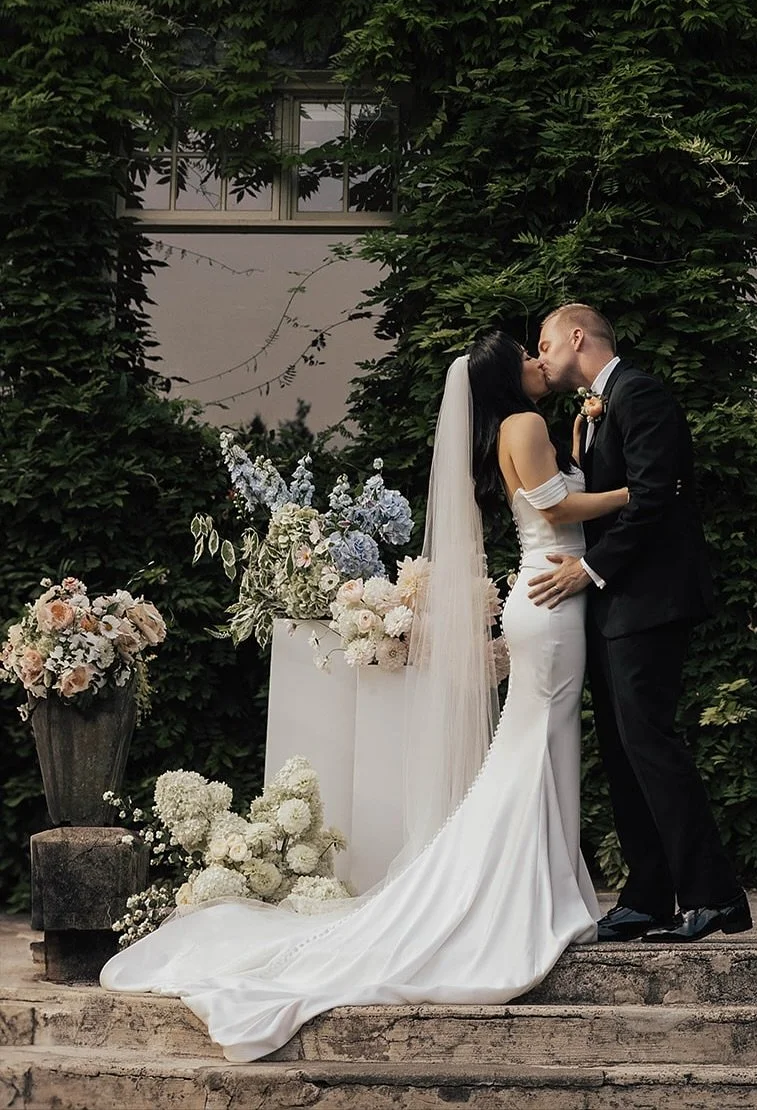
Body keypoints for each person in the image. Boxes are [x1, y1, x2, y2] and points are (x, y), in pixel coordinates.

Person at [99, 332, 628, 1063]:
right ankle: (539, 892)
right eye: (530, 359)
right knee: (537, 743)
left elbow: (549, 494)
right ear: (510, 378)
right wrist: (641, 491)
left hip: (544, 593)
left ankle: (552, 884)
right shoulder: (524, 423)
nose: (543, 365)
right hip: (552, 592)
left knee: (535, 743)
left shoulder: (520, 427)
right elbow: (555, 505)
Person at [532, 303, 751, 943]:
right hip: (616, 606)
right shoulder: (600, 406)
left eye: (545, 343)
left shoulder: (640, 391)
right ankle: (650, 893)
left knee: (651, 745)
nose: (541, 356)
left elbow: (656, 497)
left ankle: (716, 896)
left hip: (647, 602)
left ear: (578, 338)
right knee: (626, 755)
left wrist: (589, 570)